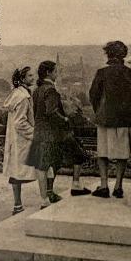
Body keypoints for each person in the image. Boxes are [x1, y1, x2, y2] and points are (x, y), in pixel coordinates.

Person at [25, 60, 90, 207]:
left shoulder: (37, 90)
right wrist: (66, 119)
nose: (57, 74)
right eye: (55, 71)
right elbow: (51, 112)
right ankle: (75, 184)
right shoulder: (50, 90)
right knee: (78, 154)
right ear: (48, 73)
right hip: (52, 134)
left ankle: (46, 198)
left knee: (44, 166)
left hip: (39, 133)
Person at [88, 40, 131, 198]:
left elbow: (93, 95)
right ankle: (118, 186)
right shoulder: (130, 73)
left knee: (103, 153)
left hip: (105, 119)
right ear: (124, 55)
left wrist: (99, 111)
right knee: (122, 153)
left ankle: (103, 186)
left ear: (108, 54)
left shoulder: (102, 72)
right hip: (124, 119)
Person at [1, 66, 40, 215]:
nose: (33, 78)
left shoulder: (17, 94)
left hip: (16, 140)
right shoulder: (23, 97)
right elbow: (20, 123)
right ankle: (47, 198)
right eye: (30, 76)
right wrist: (34, 134)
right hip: (23, 139)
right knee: (44, 167)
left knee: (16, 170)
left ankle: (17, 205)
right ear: (22, 79)